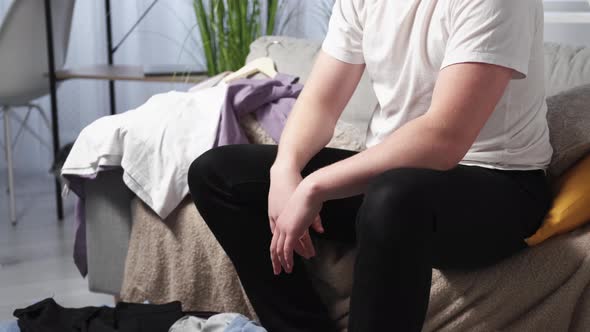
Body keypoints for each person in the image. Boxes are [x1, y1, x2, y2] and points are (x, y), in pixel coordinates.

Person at [187, 0, 553, 330]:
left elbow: (444, 139)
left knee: (392, 194)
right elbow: (321, 102)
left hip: (497, 185)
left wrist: (315, 185)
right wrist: (285, 170)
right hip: (390, 177)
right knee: (217, 173)